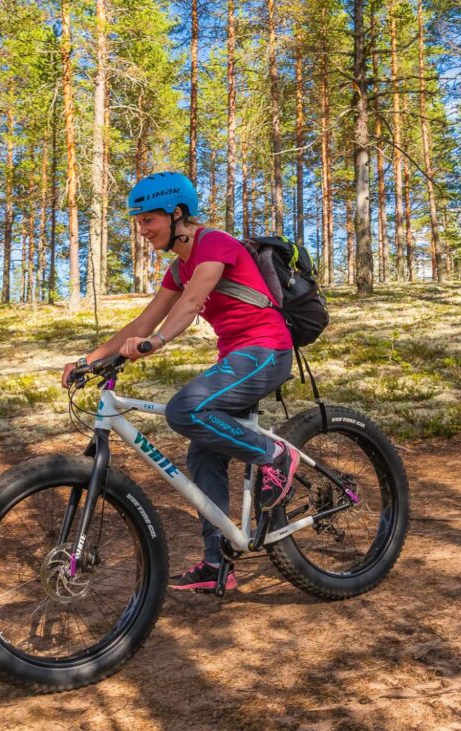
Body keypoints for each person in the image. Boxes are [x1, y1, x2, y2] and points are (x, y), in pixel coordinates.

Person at [62, 172, 297, 593]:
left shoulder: (215, 244)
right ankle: (217, 561)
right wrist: (89, 359)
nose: (143, 229)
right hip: (236, 359)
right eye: (138, 221)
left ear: (177, 213)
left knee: (185, 409)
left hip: (266, 352)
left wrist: (156, 343)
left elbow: (190, 306)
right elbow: (142, 320)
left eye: (148, 219)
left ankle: (274, 456)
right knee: (203, 456)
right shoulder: (179, 267)